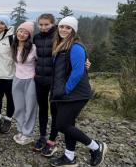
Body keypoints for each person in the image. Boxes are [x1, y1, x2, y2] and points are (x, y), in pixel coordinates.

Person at [49, 16, 107, 167]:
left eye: (68, 28)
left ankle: (96, 147)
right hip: (64, 93)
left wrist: (66, 90)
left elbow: (77, 72)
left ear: (73, 30)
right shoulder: (60, 45)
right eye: (62, 26)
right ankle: (69, 157)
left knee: (61, 124)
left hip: (75, 94)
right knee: (69, 124)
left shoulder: (76, 47)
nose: (64, 30)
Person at [32, 14, 59, 155]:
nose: (43, 27)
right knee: (42, 109)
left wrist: (86, 62)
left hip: (55, 81)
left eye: (46, 24)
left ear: (53, 24)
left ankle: (52, 141)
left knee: (55, 111)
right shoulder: (36, 37)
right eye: (41, 24)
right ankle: (42, 137)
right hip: (40, 79)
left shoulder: (58, 37)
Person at [11, 22, 38, 145]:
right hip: (17, 79)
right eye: (20, 31)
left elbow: (45, 61)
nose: (22, 34)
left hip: (30, 80)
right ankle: (21, 130)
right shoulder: (14, 45)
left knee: (31, 107)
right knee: (19, 107)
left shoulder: (33, 48)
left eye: (25, 32)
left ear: (29, 35)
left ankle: (28, 134)